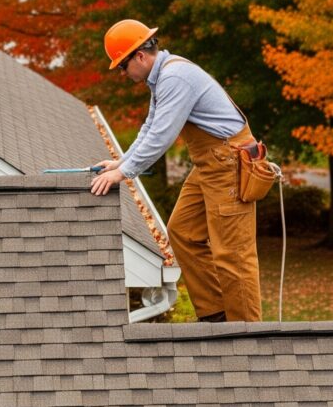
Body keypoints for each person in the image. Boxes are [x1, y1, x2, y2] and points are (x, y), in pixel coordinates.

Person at [89, 19, 262, 323]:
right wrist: (122, 162)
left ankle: (247, 334)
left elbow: (161, 136)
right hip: (211, 162)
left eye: (122, 66)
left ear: (139, 56)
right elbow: (150, 127)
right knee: (182, 232)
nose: (122, 74)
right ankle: (216, 316)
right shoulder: (161, 78)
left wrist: (123, 173)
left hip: (228, 163)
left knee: (233, 253)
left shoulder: (175, 77)